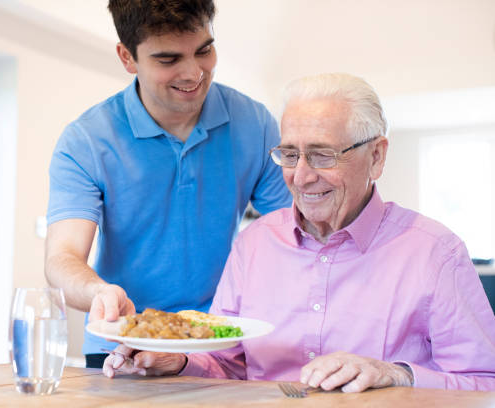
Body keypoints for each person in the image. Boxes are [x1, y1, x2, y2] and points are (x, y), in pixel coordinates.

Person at [102, 73, 495, 391]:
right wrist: (180, 360)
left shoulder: (435, 253)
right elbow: (227, 360)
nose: (302, 176)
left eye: (323, 155)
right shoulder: (254, 243)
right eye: (289, 154)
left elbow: (484, 384)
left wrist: (397, 374)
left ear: (376, 156)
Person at [45, 0, 293, 368]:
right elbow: (61, 258)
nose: (194, 73)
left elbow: (292, 237)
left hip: (218, 345)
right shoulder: (87, 140)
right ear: (127, 57)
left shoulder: (255, 124)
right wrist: (99, 293)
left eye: (204, 50)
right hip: (123, 343)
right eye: (168, 59)